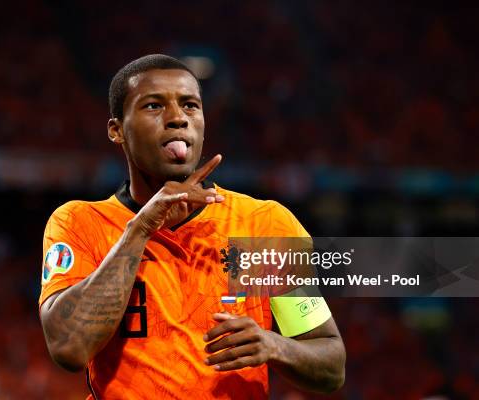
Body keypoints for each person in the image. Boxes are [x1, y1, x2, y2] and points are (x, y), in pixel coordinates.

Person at [39, 54, 345, 399]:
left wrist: (275, 346)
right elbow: (68, 349)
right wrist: (139, 230)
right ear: (117, 130)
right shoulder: (81, 222)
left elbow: (331, 365)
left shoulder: (261, 225)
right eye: (154, 106)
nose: (177, 119)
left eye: (190, 106)